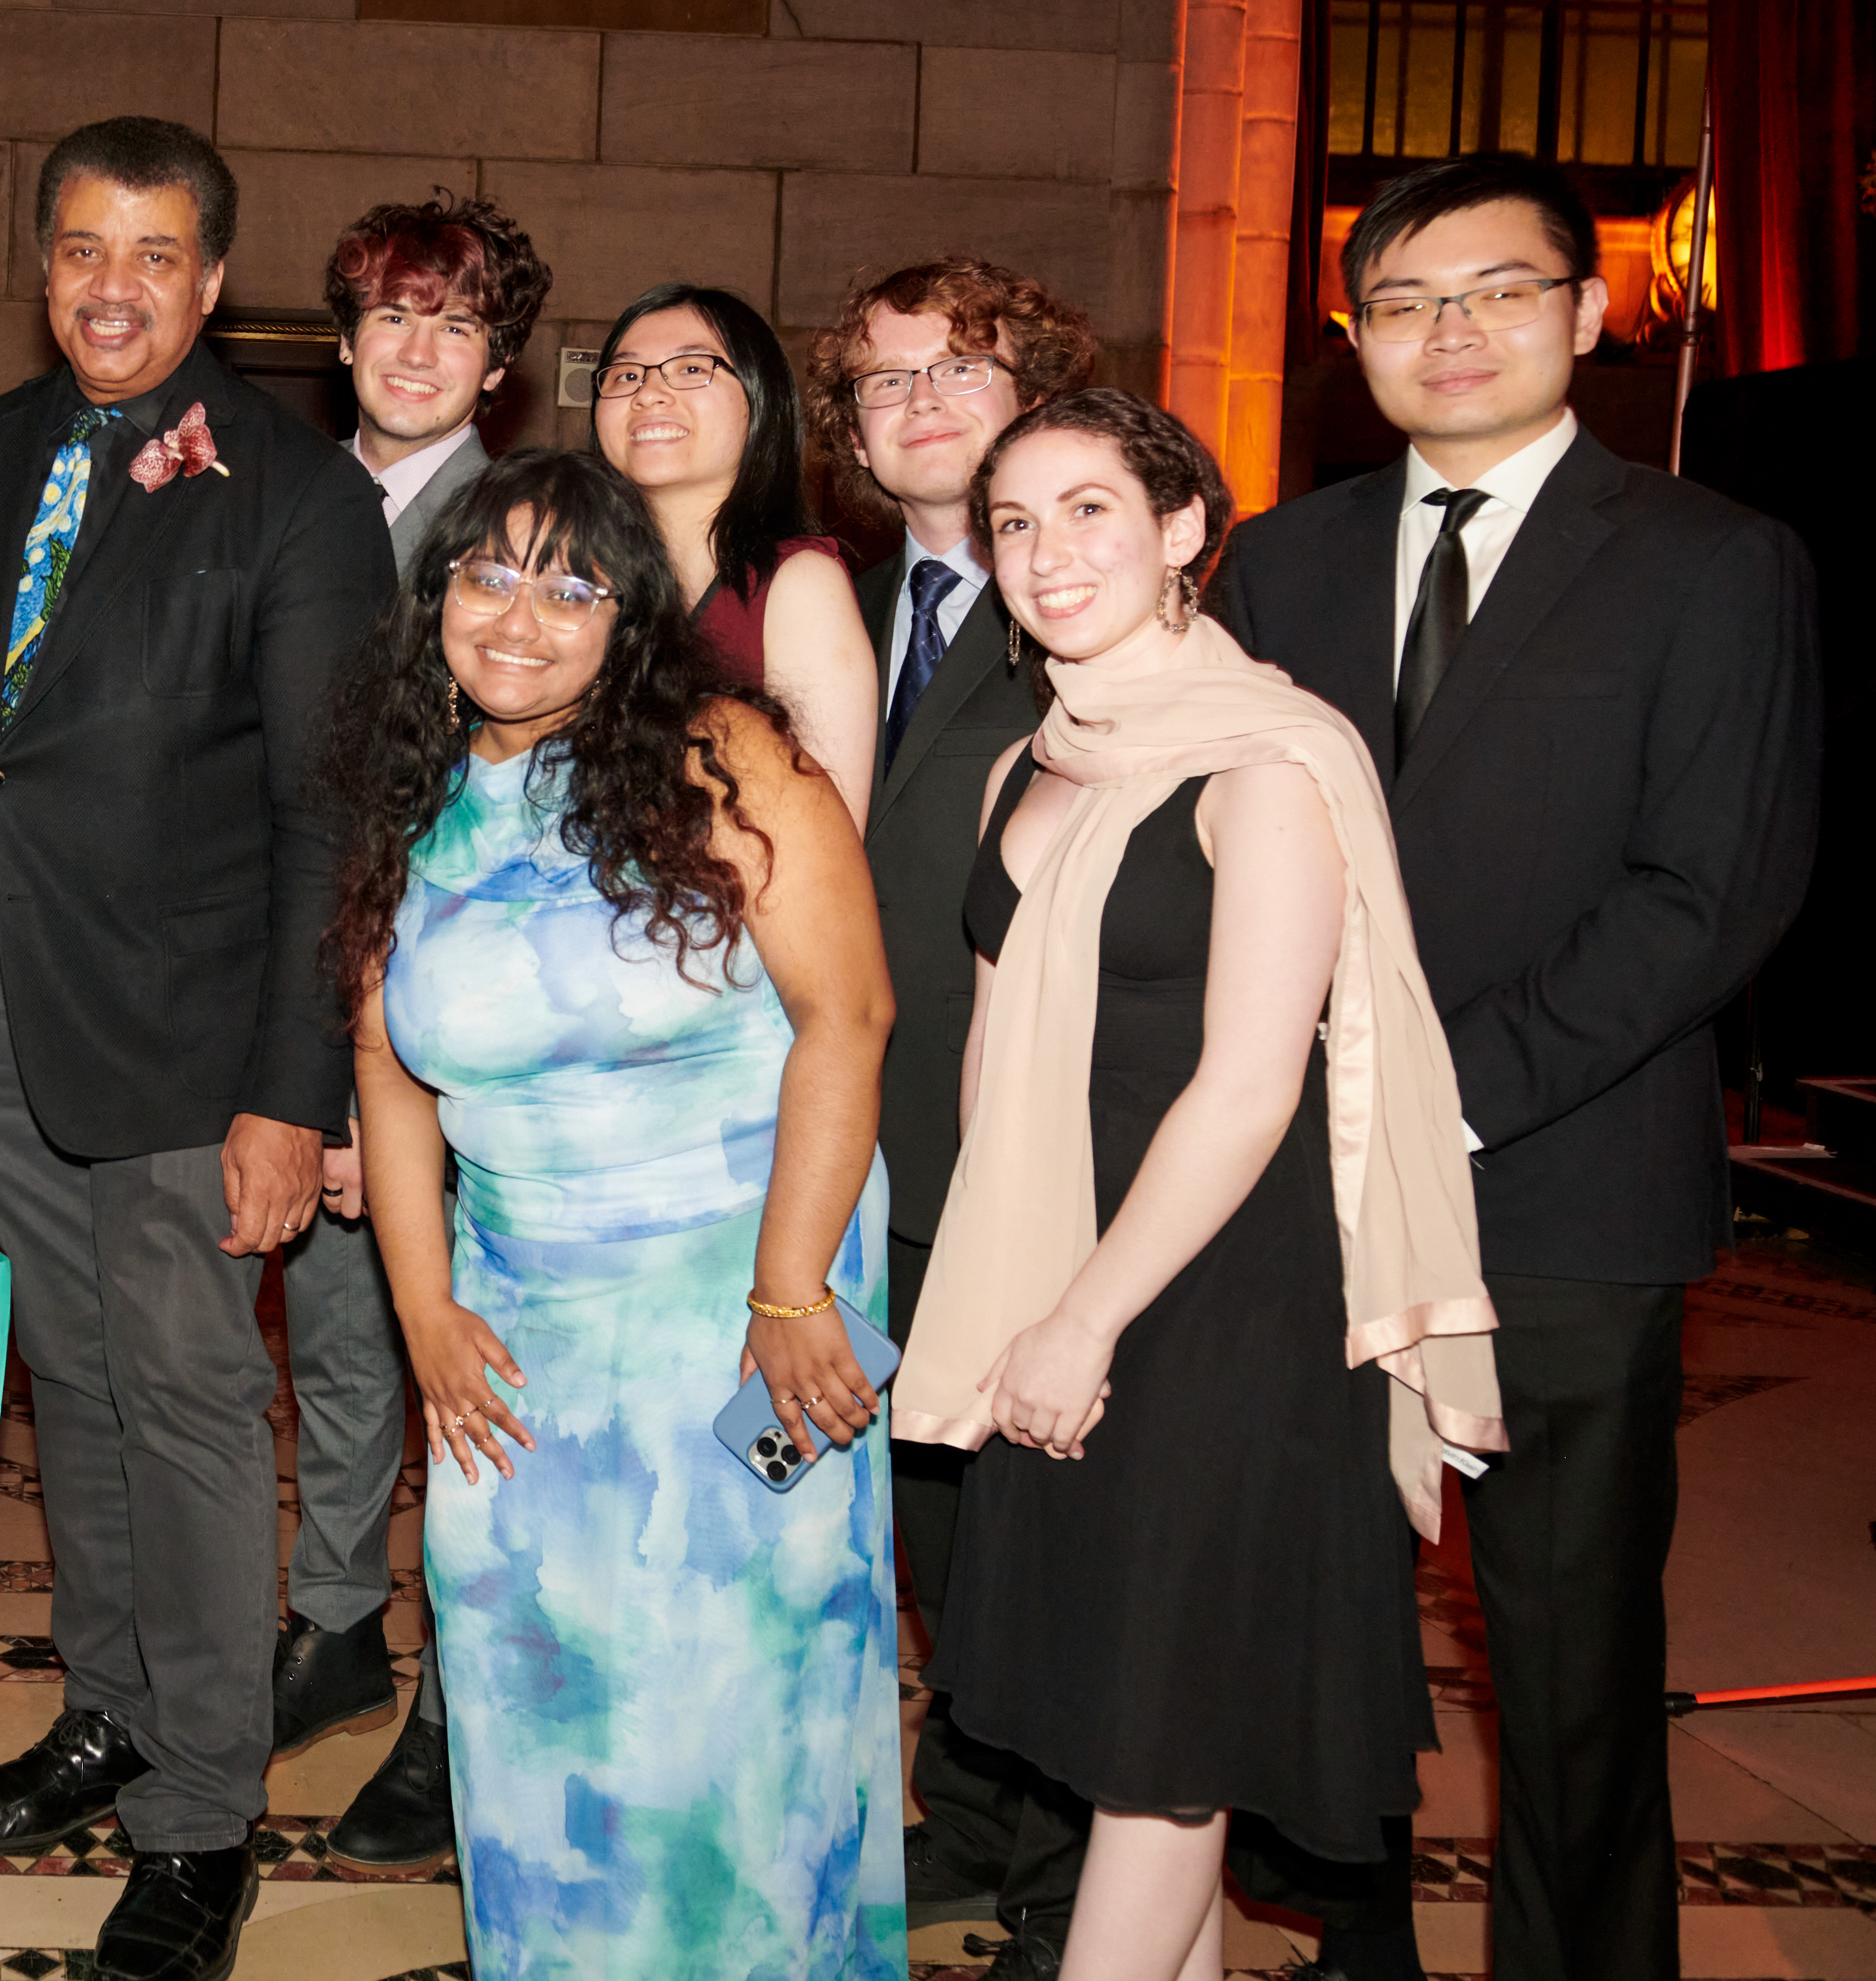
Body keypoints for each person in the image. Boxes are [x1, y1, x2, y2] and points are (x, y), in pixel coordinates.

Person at [1226, 151, 1821, 1981]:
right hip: (1296, 1196)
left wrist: (1429, 1088)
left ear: (1584, 313)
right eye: (1399, 302)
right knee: (1315, 1620)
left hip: (1559, 1191)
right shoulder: (1277, 561)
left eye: (1492, 291)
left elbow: (1704, 897)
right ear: (1353, 343)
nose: (1447, 333)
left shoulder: (1710, 563)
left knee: (1562, 1668)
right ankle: (1352, 1943)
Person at [894, 389, 1502, 1981]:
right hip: (1056, 1260)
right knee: (1122, 1710)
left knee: (1161, 1750)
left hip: (1212, 1290)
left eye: (1089, 510)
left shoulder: (1269, 762)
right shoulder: (1028, 764)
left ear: (1182, 534)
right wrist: (1000, 1280)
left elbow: (1249, 1086)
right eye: (1012, 523)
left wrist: (1083, 1318)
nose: (1044, 554)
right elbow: (990, 1054)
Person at [0, 115, 395, 1981]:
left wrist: (290, 1086)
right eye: (83, 248)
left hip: (193, 1033)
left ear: (209, 281)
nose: (114, 284)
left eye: (155, 254)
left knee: (184, 1402)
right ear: (44, 264)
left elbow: (329, 814)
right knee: (73, 1388)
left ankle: (198, 1813)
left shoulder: (293, 489)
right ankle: (107, 1712)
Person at [330, 445, 904, 1980]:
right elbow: (389, 1079)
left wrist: (788, 1296)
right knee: (534, 1699)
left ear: (628, 617)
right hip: (520, 1339)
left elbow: (846, 1014)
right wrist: (424, 1312)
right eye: (486, 571)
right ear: (434, 596)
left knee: (730, 1717)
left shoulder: (722, 757)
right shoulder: (420, 799)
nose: (521, 613)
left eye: (572, 582)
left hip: (739, 1319)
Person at [801, 257, 1099, 1967]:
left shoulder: (1079, 588)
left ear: (1031, 387)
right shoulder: (819, 594)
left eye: (954, 370)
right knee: (918, 1510)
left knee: (1042, 1517)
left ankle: (1069, 1865)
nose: (911, 403)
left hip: (1028, 1140)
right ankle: (970, 1810)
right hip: (855, 1142)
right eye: (878, 380)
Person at [290, 191, 553, 1884]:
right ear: (341, 339)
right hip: (312, 983)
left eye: (450, 322)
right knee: (337, 1330)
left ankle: (460, 1706)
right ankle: (332, 1619)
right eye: (389, 314)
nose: (413, 346)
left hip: (469, 1001)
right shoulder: (283, 493)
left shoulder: (521, 527)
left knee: (464, 1363)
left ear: (498, 362)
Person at [591, 283, 875, 830]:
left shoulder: (798, 585)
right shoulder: (577, 581)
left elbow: (826, 853)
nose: (648, 393)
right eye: (627, 375)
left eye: (692, 368)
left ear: (759, 400)